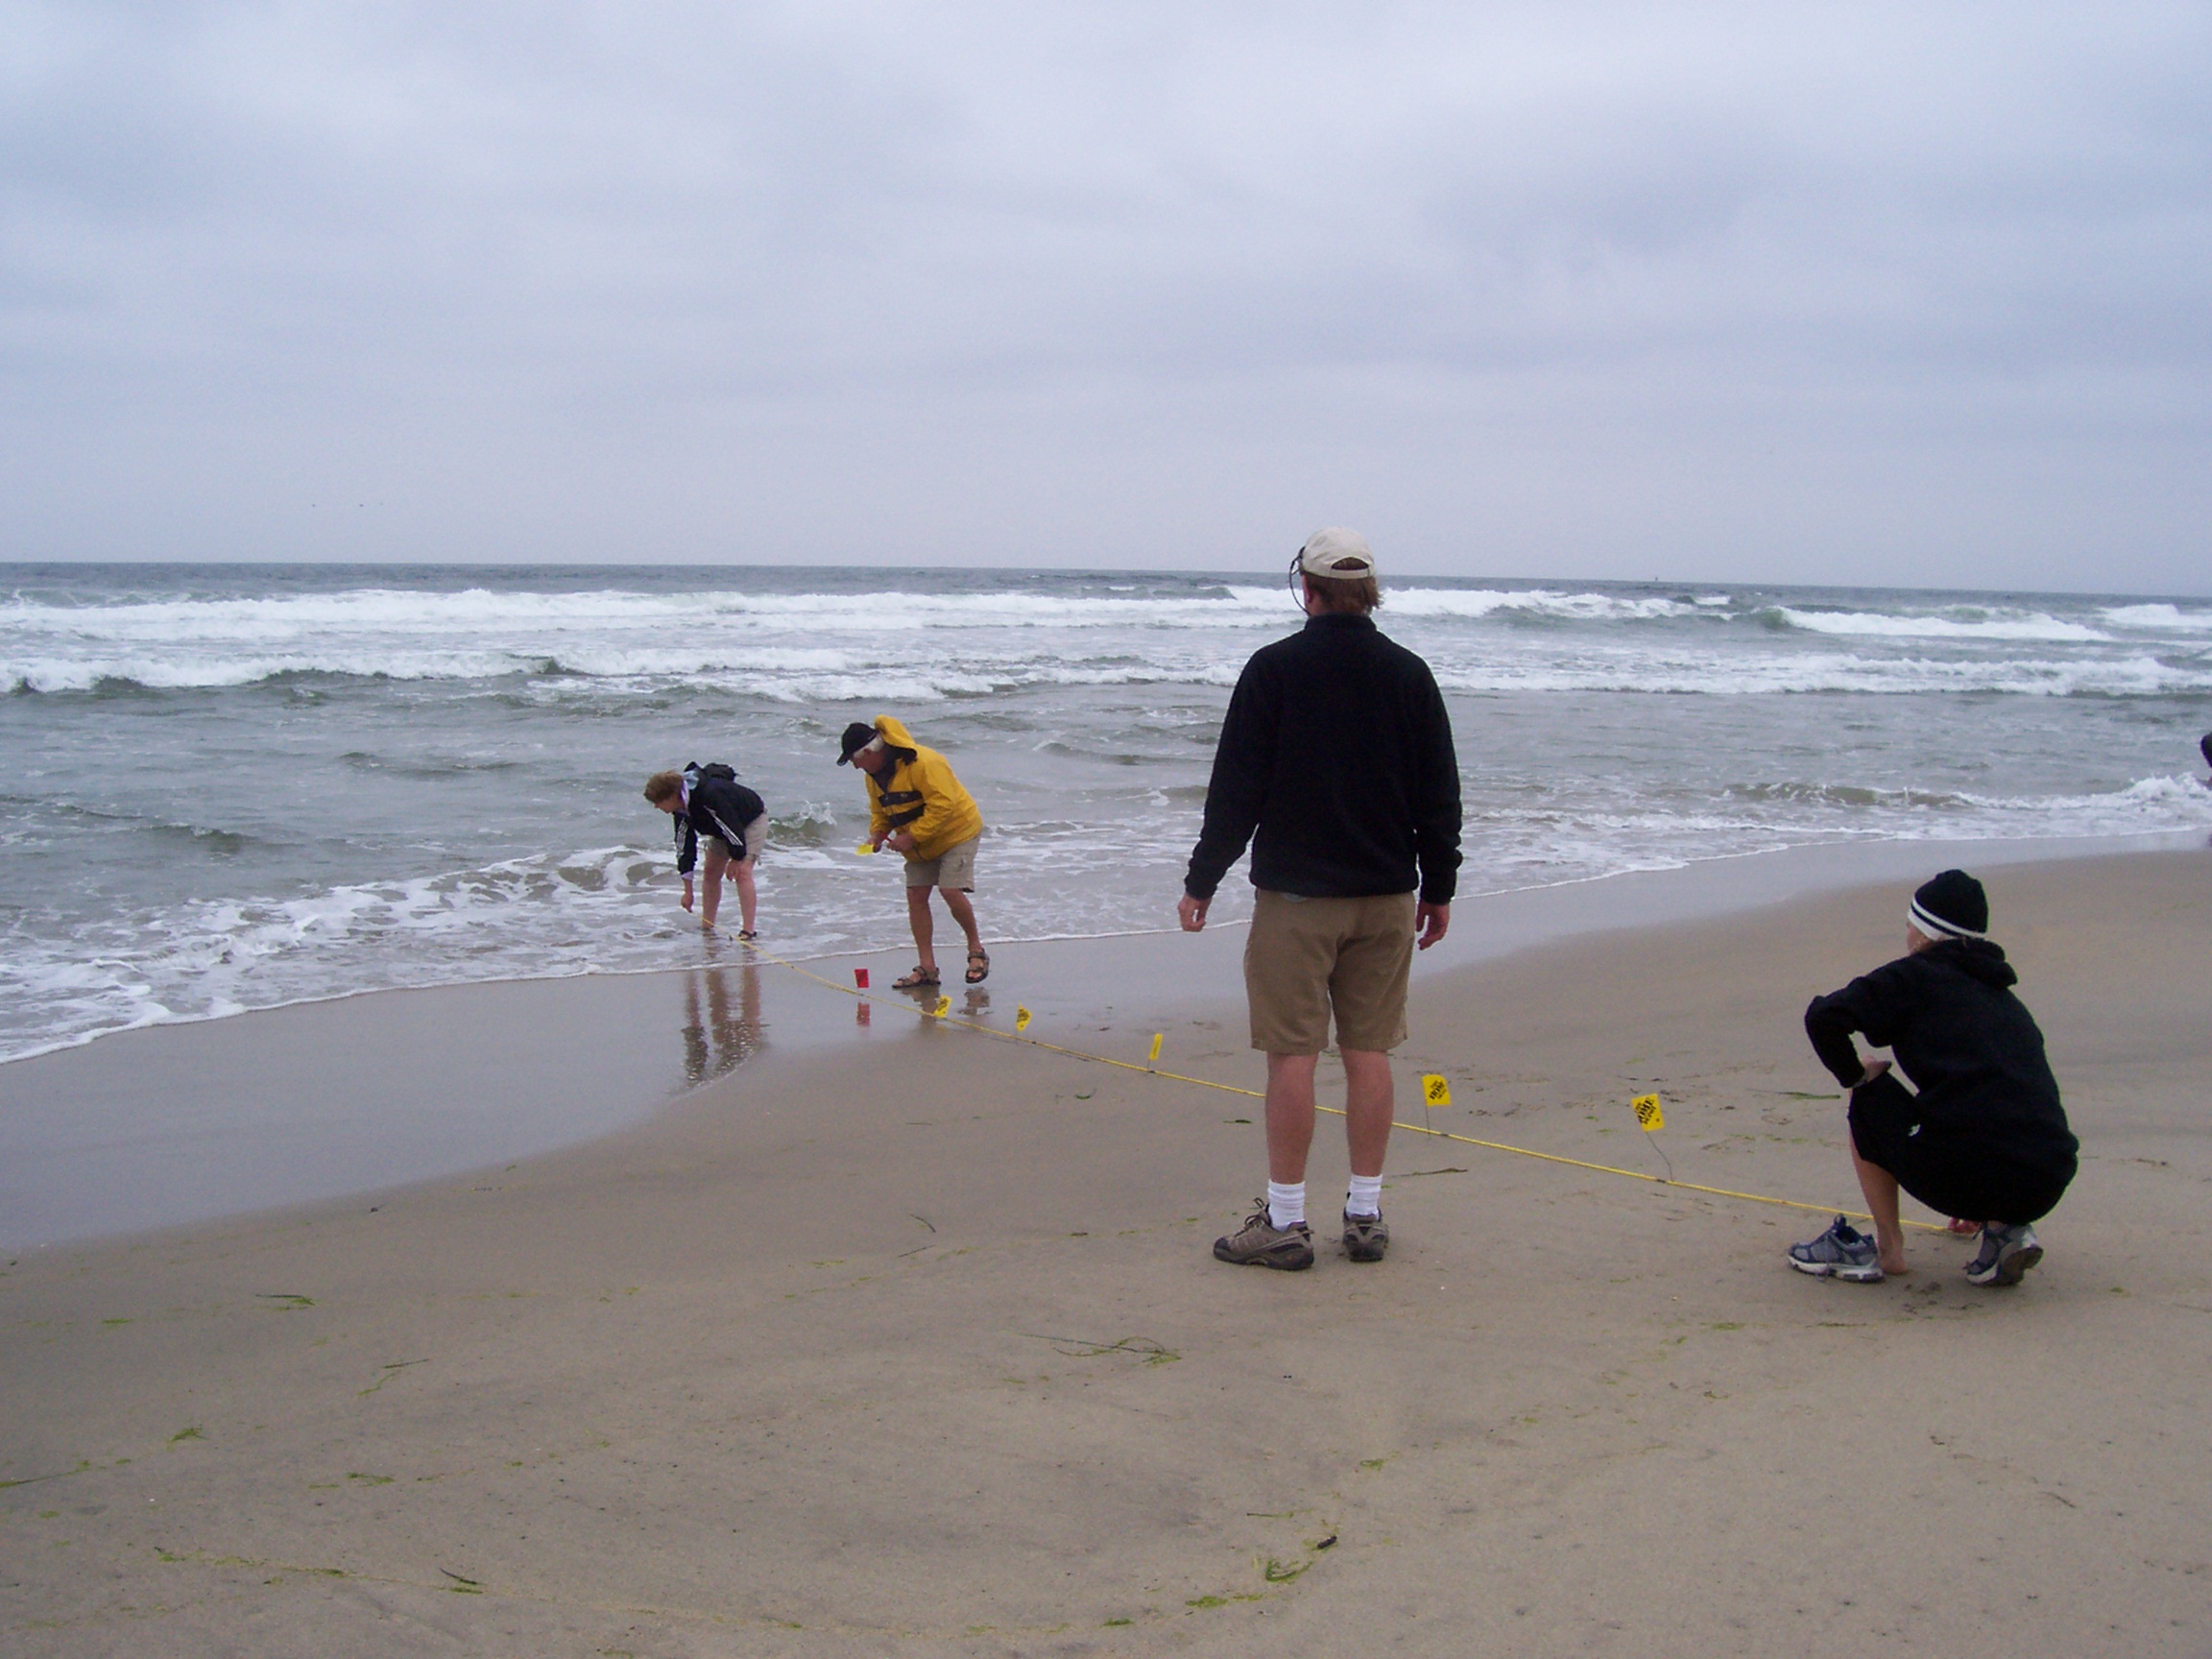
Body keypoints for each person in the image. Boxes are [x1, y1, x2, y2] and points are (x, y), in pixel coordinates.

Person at [1179, 528, 1461, 1270]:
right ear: (1369, 592)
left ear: (1305, 588)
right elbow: (1439, 794)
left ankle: (1286, 1219)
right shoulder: (1409, 673)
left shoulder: (1275, 669)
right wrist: (1440, 885)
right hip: (1386, 892)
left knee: (1292, 1056)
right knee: (1370, 1051)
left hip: (1299, 899)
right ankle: (1364, 1214)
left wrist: (1202, 878)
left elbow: (1237, 788)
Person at [1790, 869, 2078, 1287]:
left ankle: (1888, 1249)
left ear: (1925, 934)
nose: (1907, 935)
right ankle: (2005, 1229)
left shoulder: (1914, 976)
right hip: (2047, 1177)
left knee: (1869, 1094)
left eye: (1910, 925)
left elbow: (1823, 1017)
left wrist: (1854, 1075)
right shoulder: (2005, 999)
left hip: (1972, 1169)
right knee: (1991, 1111)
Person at [837, 716, 989, 990]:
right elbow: (880, 812)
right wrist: (877, 834)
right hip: (920, 843)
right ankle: (927, 969)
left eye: (854, 760)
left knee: (950, 890)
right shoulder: (872, 778)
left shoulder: (925, 762)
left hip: (958, 831)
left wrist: (911, 837)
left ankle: (976, 951)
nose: (855, 766)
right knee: (915, 895)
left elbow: (944, 805)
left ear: (869, 753)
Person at [643, 762, 766, 937]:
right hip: (722, 829)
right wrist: (688, 891)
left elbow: (731, 825)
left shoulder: (709, 795)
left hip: (750, 820)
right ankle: (707, 926)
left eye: (658, 802)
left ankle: (748, 931)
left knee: (742, 873)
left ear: (671, 796)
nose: (656, 807)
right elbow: (684, 847)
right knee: (710, 872)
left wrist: (736, 858)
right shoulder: (680, 810)